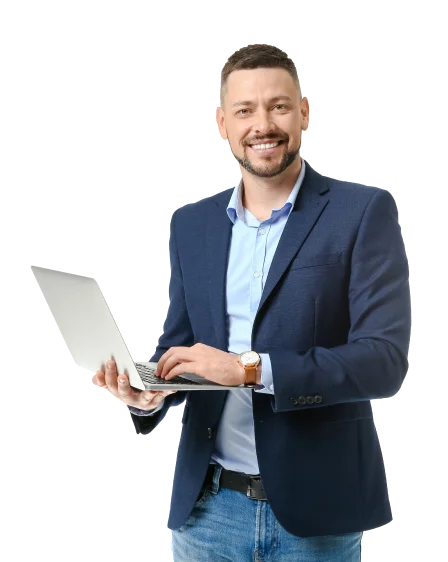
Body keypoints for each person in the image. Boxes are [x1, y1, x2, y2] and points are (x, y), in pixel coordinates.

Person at [93, 44, 411, 561]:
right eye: (244, 110)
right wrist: (151, 391)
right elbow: (182, 348)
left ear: (304, 112)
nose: (263, 124)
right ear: (222, 124)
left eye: (278, 106)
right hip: (206, 514)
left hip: (317, 518)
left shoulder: (362, 213)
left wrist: (248, 369)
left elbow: (382, 363)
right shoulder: (192, 226)